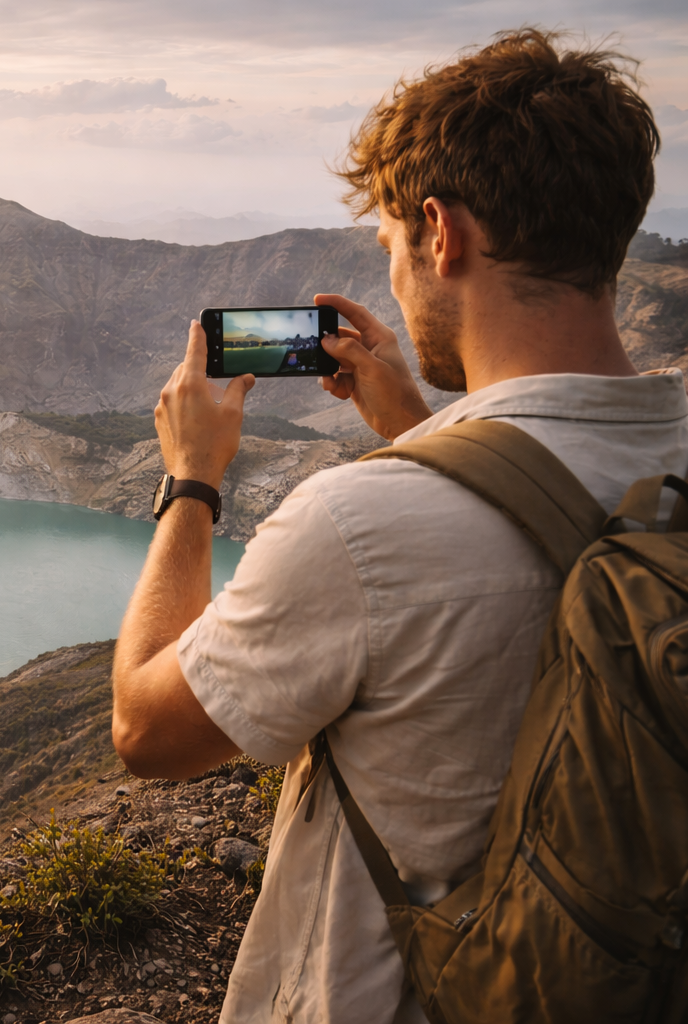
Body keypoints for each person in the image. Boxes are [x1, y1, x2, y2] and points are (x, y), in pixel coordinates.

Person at [110, 29, 681, 1023]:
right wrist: (430, 430)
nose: (399, 278)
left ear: (442, 232)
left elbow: (146, 730)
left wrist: (192, 482)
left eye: (392, 248)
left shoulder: (359, 526)